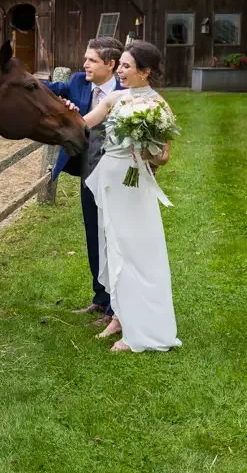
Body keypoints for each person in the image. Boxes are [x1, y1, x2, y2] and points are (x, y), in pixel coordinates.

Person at [74, 40, 181, 353]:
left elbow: (163, 157)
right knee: (113, 247)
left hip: (132, 185)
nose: (119, 71)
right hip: (109, 181)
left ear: (144, 72)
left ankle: (139, 326)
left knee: (133, 250)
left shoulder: (159, 108)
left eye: (125, 66)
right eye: (119, 65)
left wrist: (144, 147)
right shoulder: (116, 99)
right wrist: (66, 111)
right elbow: (83, 123)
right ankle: (119, 316)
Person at [43, 38, 124, 330]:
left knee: (115, 239)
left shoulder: (127, 92)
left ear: (110, 64)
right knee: (94, 234)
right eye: (85, 59)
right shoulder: (78, 82)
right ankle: (101, 298)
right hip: (89, 173)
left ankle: (116, 308)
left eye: (92, 60)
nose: (85, 64)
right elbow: (49, 89)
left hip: (118, 178)